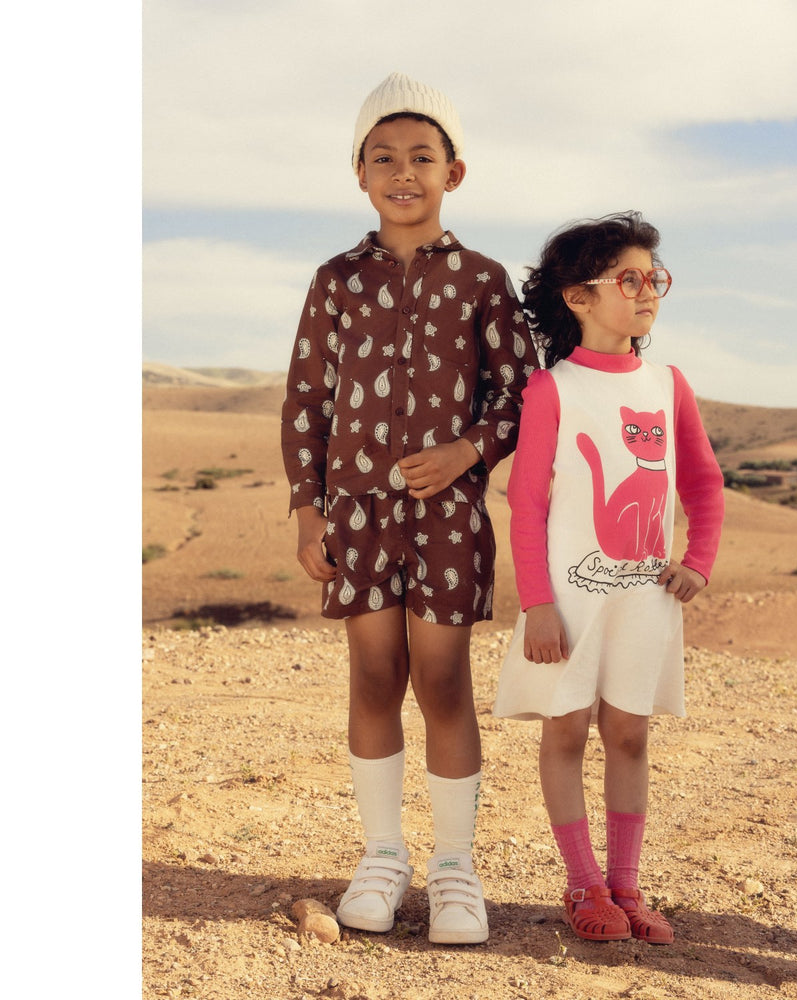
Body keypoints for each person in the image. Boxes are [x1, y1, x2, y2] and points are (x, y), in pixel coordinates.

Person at [280, 72, 538, 945]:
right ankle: (382, 856)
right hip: (355, 517)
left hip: (450, 519)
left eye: (422, 157)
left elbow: (521, 396)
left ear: (453, 173)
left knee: (443, 680)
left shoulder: (483, 281)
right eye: (383, 157)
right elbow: (307, 400)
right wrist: (308, 511)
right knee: (373, 675)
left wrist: (467, 452)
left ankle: (456, 867)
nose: (403, 172)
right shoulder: (336, 281)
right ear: (359, 174)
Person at [492, 212, 724, 944]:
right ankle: (582, 884)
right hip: (567, 601)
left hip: (645, 601)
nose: (649, 291)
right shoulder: (551, 390)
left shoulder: (668, 384)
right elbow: (527, 504)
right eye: (630, 278)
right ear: (579, 296)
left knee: (628, 734)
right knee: (565, 732)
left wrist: (699, 560)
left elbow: (704, 484)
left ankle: (626, 885)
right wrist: (536, 604)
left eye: (655, 277)